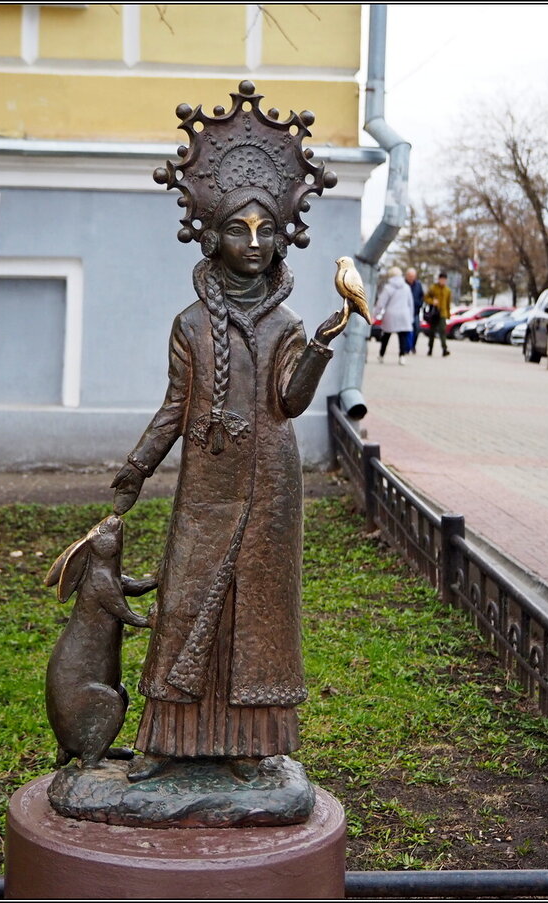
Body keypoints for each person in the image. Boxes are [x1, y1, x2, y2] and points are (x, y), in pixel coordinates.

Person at [109, 181, 351, 781]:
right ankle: (168, 738)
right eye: (238, 230)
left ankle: (249, 741)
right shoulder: (191, 325)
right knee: (188, 601)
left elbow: (289, 403)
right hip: (207, 487)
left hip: (271, 486)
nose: (254, 242)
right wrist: (136, 469)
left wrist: (321, 344)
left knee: (257, 614)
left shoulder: (288, 324)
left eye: (266, 230)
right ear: (212, 238)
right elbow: (174, 405)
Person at [371, 266, 412, 364]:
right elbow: (410, 303)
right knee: (402, 337)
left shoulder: (388, 287)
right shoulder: (406, 287)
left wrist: (374, 316)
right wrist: (410, 317)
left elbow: (381, 303)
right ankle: (402, 356)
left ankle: (381, 355)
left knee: (386, 336)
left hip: (391, 314)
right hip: (404, 314)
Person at [423, 271, 453, 356]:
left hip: (442, 313)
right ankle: (430, 348)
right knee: (432, 332)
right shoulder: (433, 288)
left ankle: (444, 349)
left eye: (444, 280)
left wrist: (448, 315)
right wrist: (432, 301)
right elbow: (426, 298)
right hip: (434, 313)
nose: (443, 281)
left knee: (442, 331)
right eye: (441, 279)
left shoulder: (448, 290)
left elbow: (448, 304)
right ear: (439, 279)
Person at [404, 268, 424, 353]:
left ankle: (413, 346)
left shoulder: (418, 285)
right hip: (406, 311)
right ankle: (405, 347)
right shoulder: (403, 284)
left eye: (413, 276)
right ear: (407, 276)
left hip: (415, 311)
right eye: (410, 276)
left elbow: (422, 296)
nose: (411, 278)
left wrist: (419, 303)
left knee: (416, 329)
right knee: (405, 330)